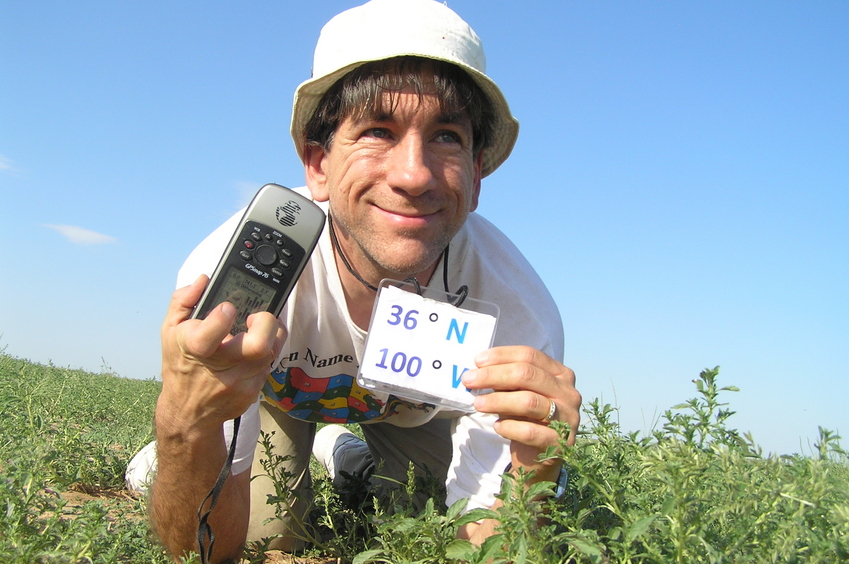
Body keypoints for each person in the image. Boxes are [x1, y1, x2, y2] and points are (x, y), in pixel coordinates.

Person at [148, 0, 582, 562]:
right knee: (261, 539)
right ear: (318, 164)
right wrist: (184, 425)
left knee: (424, 526)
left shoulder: (514, 309)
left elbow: (484, 547)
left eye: (447, 136)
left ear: (477, 177)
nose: (413, 175)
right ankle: (161, 459)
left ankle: (342, 451)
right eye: (377, 130)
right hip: (280, 401)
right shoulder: (235, 270)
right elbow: (202, 551)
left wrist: (532, 474)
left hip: (405, 415)